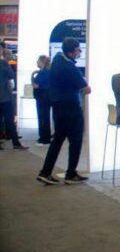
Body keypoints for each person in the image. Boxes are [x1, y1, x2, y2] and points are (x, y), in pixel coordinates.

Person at [37, 38, 90, 184]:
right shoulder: (69, 67)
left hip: (57, 106)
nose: (79, 52)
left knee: (58, 138)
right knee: (76, 139)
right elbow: (86, 88)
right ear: (71, 52)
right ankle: (71, 174)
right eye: (78, 49)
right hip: (71, 106)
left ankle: (45, 172)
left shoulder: (57, 60)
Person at [0, 52, 24, 151]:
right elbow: (11, 75)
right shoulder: (3, 63)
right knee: (10, 120)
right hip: (4, 96)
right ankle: (16, 143)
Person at [31, 55, 52, 146]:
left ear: (42, 62)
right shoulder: (45, 72)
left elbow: (35, 85)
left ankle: (45, 139)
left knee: (43, 117)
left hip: (43, 97)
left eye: (38, 61)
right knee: (44, 117)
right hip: (45, 96)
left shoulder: (44, 73)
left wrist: (32, 76)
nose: (37, 62)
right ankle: (44, 137)